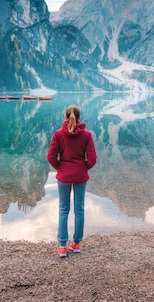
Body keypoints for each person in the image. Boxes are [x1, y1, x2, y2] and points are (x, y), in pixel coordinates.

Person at [47, 105, 97, 258]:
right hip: (80, 175)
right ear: (79, 117)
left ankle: (62, 246)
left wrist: (60, 168)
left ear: (65, 117)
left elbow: (51, 157)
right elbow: (93, 159)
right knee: (79, 209)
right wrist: (83, 168)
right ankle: (76, 244)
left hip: (64, 176)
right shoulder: (86, 135)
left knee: (63, 209)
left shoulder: (58, 134)